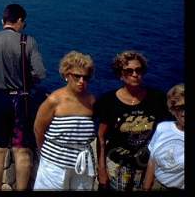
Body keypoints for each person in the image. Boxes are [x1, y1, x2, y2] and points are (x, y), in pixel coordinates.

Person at [0, 3, 46, 190]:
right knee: (22, 151)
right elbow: (40, 73)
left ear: (3, 20)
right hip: (20, 101)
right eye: (24, 22)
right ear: (20, 21)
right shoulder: (28, 41)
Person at [94, 50, 170, 191]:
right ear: (120, 74)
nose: (135, 74)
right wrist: (102, 169)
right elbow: (101, 136)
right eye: (129, 71)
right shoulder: (108, 101)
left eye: (138, 70)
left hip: (144, 166)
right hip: (116, 166)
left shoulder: (158, 98)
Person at [33, 51, 97, 190]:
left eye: (85, 77)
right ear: (67, 75)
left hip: (82, 166)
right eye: (77, 76)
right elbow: (38, 130)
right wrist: (47, 154)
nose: (81, 81)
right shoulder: (54, 100)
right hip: (54, 166)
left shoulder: (91, 101)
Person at [143, 84, 184, 190]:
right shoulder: (163, 127)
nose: (184, 113)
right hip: (156, 185)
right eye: (180, 108)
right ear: (173, 110)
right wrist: (146, 187)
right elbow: (152, 160)